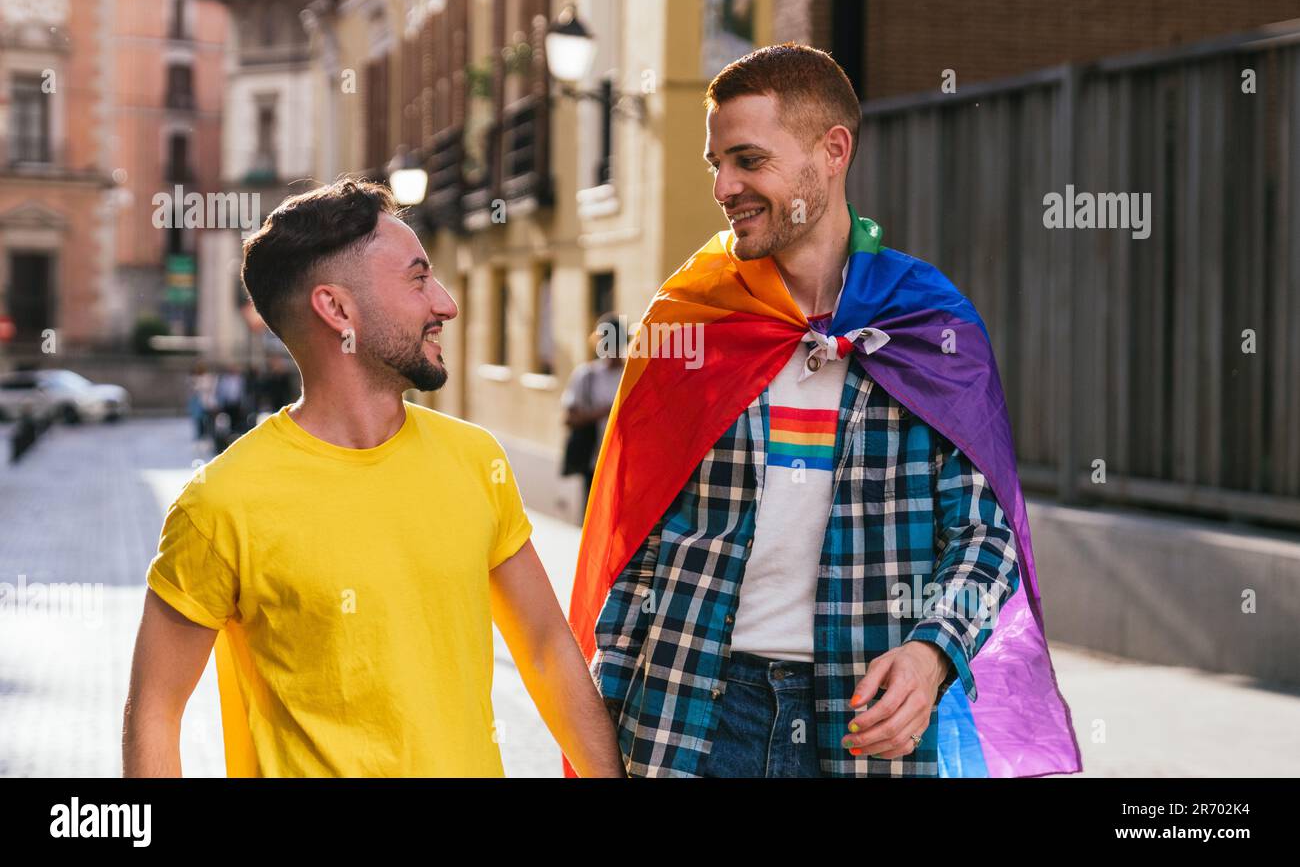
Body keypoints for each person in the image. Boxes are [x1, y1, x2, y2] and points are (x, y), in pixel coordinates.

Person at [566, 44, 1082, 778]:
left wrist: (933, 651)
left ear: (832, 151)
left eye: (748, 159)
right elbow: (635, 539)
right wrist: (604, 717)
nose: (724, 186)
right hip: (688, 715)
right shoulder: (692, 319)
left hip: (865, 728)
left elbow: (982, 534)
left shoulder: (927, 323)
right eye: (716, 163)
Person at [123, 178, 623, 778]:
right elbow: (155, 713)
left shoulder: (475, 460)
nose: (446, 303)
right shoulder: (221, 504)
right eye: (417, 279)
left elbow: (546, 650)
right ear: (337, 309)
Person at [559, 312, 625, 519]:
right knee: (594, 517)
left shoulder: (631, 374)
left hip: (625, 460)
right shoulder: (587, 375)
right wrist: (604, 412)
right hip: (594, 460)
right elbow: (570, 418)